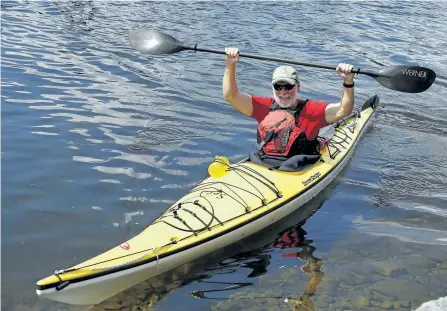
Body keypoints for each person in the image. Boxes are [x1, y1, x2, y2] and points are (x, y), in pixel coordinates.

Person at [223, 47, 355, 159]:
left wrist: (348, 81)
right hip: (266, 161)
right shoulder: (264, 106)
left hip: (301, 167)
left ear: (298, 87)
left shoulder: (311, 109)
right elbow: (231, 96)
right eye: (278, 87)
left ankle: (322, 142)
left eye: (288, 87)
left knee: (324, 135)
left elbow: (344, 110)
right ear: (272, 88)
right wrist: (230, 64)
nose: (283, 92)